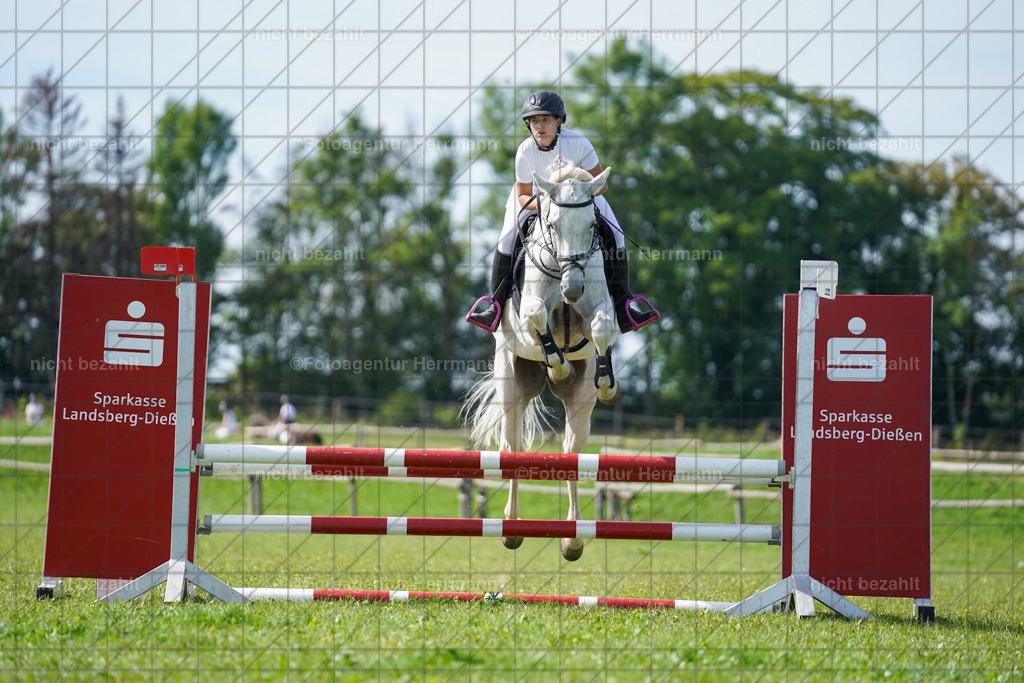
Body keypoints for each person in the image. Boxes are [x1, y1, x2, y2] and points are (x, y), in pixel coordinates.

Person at [466, 89, 659, 334]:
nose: (540, 126)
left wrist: (573, 197)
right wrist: (549, 203)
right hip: (535, 200)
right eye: (534, 121)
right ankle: (495, 304)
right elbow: (523, 194)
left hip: (581, 197)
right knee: (506, 238)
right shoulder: (525, 151)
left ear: (560, 120)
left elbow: (602, 185)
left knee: (616, 236)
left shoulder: (578, 143)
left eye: (546, 119)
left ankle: (624, 307)